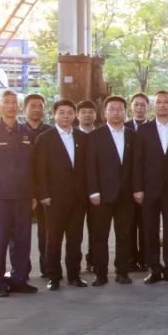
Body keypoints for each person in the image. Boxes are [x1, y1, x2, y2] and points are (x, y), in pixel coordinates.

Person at [0, 90, 38, 297]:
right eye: (7, 102)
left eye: (14, 102)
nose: (11, 106)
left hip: (23, 197)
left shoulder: (27, 133)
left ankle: (19, 280)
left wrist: (33, 194)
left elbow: (33, 168)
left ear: (18, 106)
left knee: (22, 241)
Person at [32, 99, 87, 290]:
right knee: (53, 239)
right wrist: (43, 193)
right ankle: (53, 277)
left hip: (78, 198)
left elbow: (87, 168)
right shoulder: (45, 138)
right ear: (54, 115)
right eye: (61, 112)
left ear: (75, 115)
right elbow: (39, 169)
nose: (66, 116)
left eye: (70, 112)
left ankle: (74, 275)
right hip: (54, 198)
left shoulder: (82, 137)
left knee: (75, 239)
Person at [133, 90, 168, 284]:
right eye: (159, 102)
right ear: (154, 106)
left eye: (166, 102)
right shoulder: (143, 130)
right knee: (150, 230)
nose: (162, 105)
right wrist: (137, 188)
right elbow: (137, 162)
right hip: (149, 189)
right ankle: (154, 269)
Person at [86, 95, 136, 285]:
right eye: (112, 109)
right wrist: (93, 191)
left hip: (126, 195)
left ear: (125, 112)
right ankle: (101, 274)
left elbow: (137, 165)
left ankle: (122, 272)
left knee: (124, 235)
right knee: (100, 236)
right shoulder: (94, 136)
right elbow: (90, 166)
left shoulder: (132, 135)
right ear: (104, 113)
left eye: (120, 109)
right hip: (101, 195)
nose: (116, 112)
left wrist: (137, 189)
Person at [19, 93, 51, 277]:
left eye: (40, 106)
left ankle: (47, 268)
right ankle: (21, 272)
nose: (37, 109)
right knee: (21, 233)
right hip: (23, 190)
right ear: (25, 109)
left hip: (45, 190)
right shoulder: (17, 132)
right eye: (33, 106)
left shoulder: (51, 132)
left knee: (46, 232)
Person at [127, 92, 150, 270]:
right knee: (128, 224)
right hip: (126, 184)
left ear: (148, 107)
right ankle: (130, 259)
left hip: (147, 184)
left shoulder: (154, 128)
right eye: (136, 104)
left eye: (143, 105)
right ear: (131, 106)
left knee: (145, 224)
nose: (139, 108)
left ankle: (145, 259)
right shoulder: (123, 127)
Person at [75, 99, 98, 274]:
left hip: (97, 191)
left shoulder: (101, 135)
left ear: (96, 115)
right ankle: (74, 264)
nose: (87, 115)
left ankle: (93, 261)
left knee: (96, 229)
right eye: (83, 112)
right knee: (75, 231)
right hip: (76, 191)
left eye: (90, 112)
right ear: (77, 115)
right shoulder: (71, 135)